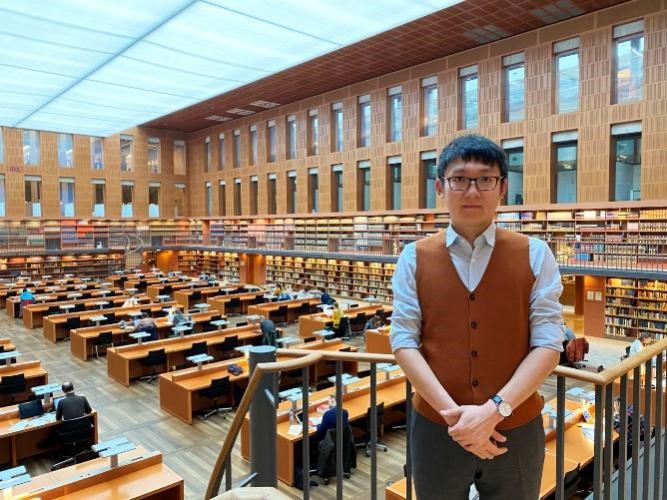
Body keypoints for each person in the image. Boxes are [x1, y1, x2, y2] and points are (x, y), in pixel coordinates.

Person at [390, 135, 564, 500]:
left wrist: (493, 411)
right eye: (460, 179)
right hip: (438, 428)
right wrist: (455, 417)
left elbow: (548, 343)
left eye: (485, 179)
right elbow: (404, 340)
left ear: (502, 188)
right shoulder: (413, 257)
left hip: (515, 427)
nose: (472, 191)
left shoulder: (536, 254)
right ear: (440, 187)